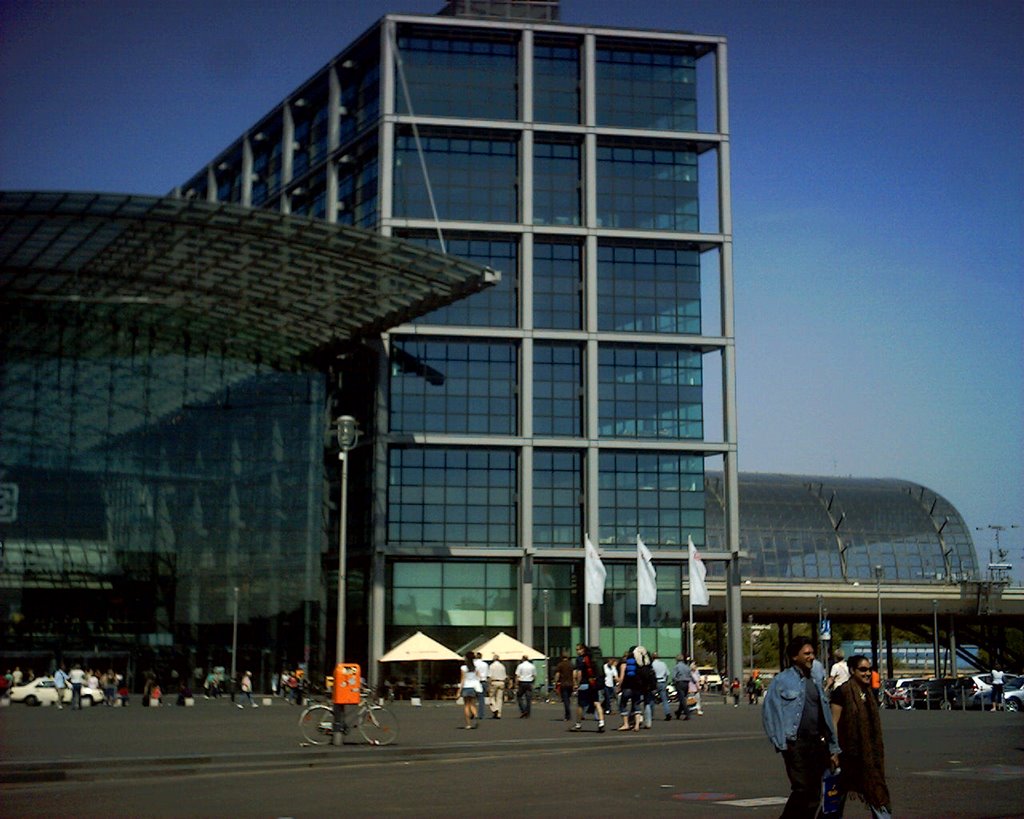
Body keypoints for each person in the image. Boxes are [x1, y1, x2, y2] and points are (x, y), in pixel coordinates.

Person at [762, 636, 841, 819]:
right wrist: (781, 743)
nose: (811, 657)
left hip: (816, 743)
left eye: (812, 653)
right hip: (795, 743)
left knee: (814, 792)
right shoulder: (782, 680)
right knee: (802, 788)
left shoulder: (815, 681)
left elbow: (825, 717)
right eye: (806, 653)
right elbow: (770, 712)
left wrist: (833, 748)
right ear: (794, 656)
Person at [830, 654, 892, 818]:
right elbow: (833, 723)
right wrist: (833, 751)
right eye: (862, 670)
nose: (867, 673)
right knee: (833, 805)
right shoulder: (841, 692)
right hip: (846, 757)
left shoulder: (869, 693)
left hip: (867, 758)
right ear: (852, 670)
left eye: (869, 670)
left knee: (877, 795)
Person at [570, 644, 605, 732]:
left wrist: (576, 684)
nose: (577, 651)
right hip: (594, 684)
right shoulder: (593, 659)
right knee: (597, 703)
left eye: (578, 649)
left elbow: (578, 673)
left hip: (584, 684)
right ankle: (601, 722)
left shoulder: (579, 659)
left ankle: (578, 724)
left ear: (583, 650)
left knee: (580, 705)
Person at [616, 646, 643, 731]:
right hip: (637, 687)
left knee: (622, 705)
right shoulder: (638, 663)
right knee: (636, 705)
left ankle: (626, 724)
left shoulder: (624, 663)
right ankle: (637, 725)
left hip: (627, 686)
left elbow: (622, 677)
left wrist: (619, 687)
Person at [458, 652, 481, 729]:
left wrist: (459, 690)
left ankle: (468, 724)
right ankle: (476, 716)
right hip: (473, 687)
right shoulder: (475, 667)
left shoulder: (463, 668)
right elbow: (478, 677)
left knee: (466, 706)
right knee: (472, 704)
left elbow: (462, 679)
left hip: (466, 687)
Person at [651, 652, 672, 721]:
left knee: (652, 699)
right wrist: (665, 681)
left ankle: (650, 715)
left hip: (655, 682)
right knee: (664, 699)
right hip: (662, 681)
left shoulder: (652, 665)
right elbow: (667, 673)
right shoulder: (663, 664)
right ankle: (667, 713)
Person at [555, 653, 574, 721]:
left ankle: (567, 715)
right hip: (570, 684)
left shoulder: (560, 664)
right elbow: (574, 674)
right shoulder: (571, 664)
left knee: (565, 699)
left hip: (563, 684)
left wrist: (556, 682)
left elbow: (557, 674)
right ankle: (568, 711)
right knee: (568, 698)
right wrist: (575, 683)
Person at [672, 655, 691, 720]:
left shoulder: (676, 667)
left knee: (682, 699)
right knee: (683, 698)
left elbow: (674, 677)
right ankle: (678, 712)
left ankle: (687, 713)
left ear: (677, 660)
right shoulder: (687, 667)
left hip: (680, 683)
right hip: (687, 683)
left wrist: (675, 682)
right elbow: (690, 675)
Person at [473, 652, 489, 721]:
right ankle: (481, 714)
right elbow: (487, 674)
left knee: (472, 698)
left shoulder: (474, 663)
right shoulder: (485, 664)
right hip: (483, 681)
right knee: (481, 699)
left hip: (475, 681)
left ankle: (473, 713)